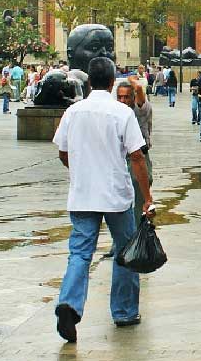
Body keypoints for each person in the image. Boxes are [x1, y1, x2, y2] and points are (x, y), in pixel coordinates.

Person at [52, 57, 153, 342]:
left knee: (81, 253)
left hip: (83, 195)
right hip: (116, 196)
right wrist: (147, 197)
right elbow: (137, 157)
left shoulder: (74, 111)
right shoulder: (122, 113)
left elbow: (62, 151)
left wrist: (81, 171)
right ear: (111, 83)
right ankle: (124, 311)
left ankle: (69, 304)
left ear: (88, 82)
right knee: (125, 250)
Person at [115, 80, 153, 228]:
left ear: (134, 98)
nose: (123, 101)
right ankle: (120, 244)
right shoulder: (116, 112)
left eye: (126, 97)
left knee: (137, 203)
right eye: (120, 97)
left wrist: (133, 78)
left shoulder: (140, 110)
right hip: (122, 160)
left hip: (138, 158)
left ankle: (134, 240)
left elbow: (138, 88)